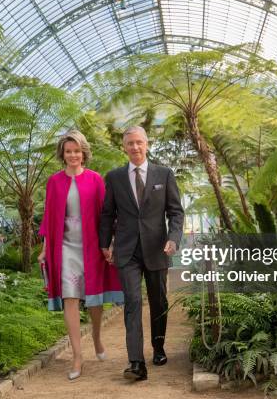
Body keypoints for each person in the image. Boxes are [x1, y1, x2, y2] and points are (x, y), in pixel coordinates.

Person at [99, 126, 185, 381]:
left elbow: (176, 212)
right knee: (133, 303)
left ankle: (158, 347)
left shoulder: (164, 174)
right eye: (130, 144)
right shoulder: (114, 178)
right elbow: (107, 214)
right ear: (124, 147)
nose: (134, 147)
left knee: (159, 301)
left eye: (139, 143)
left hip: (158, 248)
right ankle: (136, 362)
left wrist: (173, 238)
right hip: (127, 252)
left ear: (147, 144)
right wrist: (106, 243)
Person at [38, 130, 124, 381]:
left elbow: (106, 216)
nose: (73, 155)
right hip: (64, 248)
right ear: (62, 154)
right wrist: (45, 248)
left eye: (77, 151)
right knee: (71, 297)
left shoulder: (96, 179)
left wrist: (110, 244)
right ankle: (77, 355)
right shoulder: (54, 182)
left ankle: (96, 336)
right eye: (68, 151)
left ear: (83, 153)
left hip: (91, 246)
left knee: (94, 299)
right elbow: (49, 217)